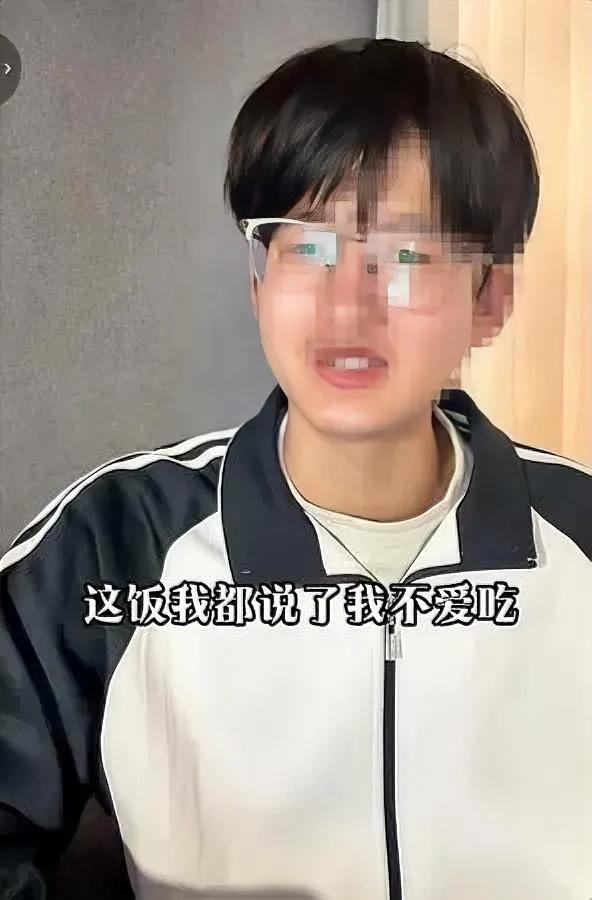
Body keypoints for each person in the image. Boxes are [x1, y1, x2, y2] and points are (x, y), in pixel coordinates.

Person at [0, 38, 590, 900]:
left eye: (408, 255)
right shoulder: (113, 546)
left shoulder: (579, 535)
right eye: (306, 248)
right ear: (257, 278)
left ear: (489, 300)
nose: (347, 304)